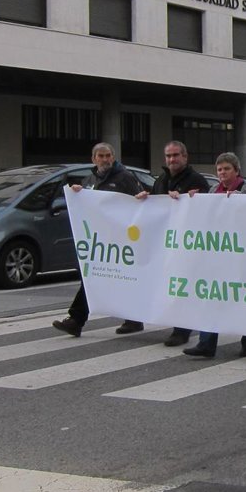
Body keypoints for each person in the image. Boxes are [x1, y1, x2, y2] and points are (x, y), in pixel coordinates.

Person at [117, 140, 211, 341]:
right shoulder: (161, 179)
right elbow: (155, 207)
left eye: (176, 155)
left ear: (185, 157)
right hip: (163, 242)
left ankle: (182, 330)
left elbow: (205, 210)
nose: (172, 159)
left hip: (185, 243)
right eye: (168, 156)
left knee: (181, 288)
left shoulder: (196, 180)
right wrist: (146, 198)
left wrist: (185, 199)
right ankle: (136, 318)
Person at [53, 143, 144, 338]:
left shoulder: (125, 177)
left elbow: (138, 204)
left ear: (113, 157)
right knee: (93, 278)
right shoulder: (90, 180)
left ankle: (132, 318)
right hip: (98, 242)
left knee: (121, 279)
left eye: (108, 155)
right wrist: (77, 194)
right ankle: (77, 320)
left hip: (120, 241)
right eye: (101, 156)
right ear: (93, 159)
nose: (105, 159)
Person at [183, 153, 246, 359]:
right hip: (218, 254)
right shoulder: (213, 191)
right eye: (219, 170)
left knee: (245, 297)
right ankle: (206, 343)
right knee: (212, 297)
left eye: (227, 169)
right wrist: (193, 200)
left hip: (243, 254)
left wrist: (239, 199)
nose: (222, 173)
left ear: (237, 170)